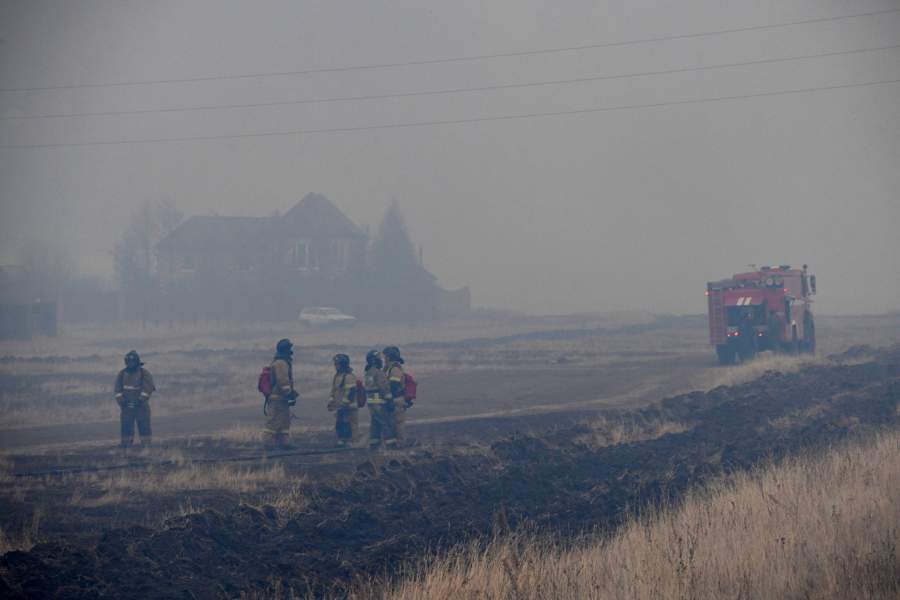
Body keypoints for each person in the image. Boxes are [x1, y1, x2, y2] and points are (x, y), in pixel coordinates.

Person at [114, 350, 156, 448]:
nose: (130, 364)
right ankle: (126, 449)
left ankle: (147, 449)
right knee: (126, 429)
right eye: (128, 361)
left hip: (141, 407)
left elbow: (148, 389)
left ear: (137, 362)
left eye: (132, 361)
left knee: (144, 429)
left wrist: (140, 400)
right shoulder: (121, 374)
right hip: (127, 408)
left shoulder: (144, 373)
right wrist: (122, 402)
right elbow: (117, 391)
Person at [264, 338, 298, 448]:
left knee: (284, 421)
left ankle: (284, 442)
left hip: (281, 398)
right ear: (286, 349)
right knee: (273, 420)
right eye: (289, 348)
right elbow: (282, 380)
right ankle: (268, 443)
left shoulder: (282, 361)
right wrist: (289, 393)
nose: (291, 351)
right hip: (277, 397)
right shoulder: (281, 363)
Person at [328, 353, 359, 447]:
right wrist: (331, 400)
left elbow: (350, 392)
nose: (335, 366)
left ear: (343, 364)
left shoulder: (349, 377)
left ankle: (353, 442)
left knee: (350, 424)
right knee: (340, 424)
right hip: (341, 406)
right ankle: (342, 440)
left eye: (337, 364)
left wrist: (344, 404)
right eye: (335, 364)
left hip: (349, 407)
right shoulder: (337, 376)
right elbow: (334, 389)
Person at [364, 349, 392, 449]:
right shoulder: (378, 373)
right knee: (386, 421)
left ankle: (374, 443)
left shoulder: (368, 373)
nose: (381, 361)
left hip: (371, 401)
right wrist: (389, 399)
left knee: (375, 422)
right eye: (379, 359)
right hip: (379, 401)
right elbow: (383, 387)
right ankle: (391, 444)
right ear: (374, 360)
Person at [383, 346, 409, 448]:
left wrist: (390, 400)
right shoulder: (390, 369)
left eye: (385, 356)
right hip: (394, 400)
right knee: (393, 424)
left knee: (398, 424)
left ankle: (401, 444)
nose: (384, 359)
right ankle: (395, 445)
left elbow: (393, 385)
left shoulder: (394, 369)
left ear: (389, 357)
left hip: (396, 400)